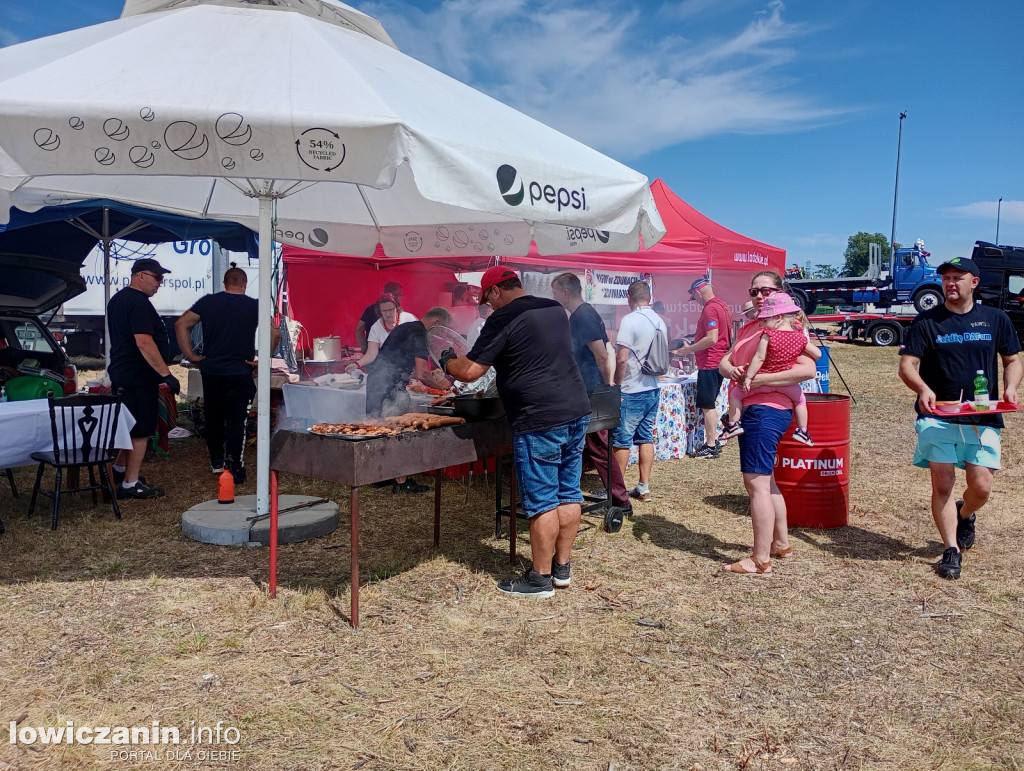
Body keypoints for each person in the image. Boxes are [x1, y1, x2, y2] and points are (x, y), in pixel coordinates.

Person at [442, 266, 590, 598]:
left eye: (487, 300)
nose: (488, 307)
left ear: (495, 292)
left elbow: (469, 371)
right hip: (576, 409)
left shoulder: (503, 317)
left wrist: (447, 360)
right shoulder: (553, 308)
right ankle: (561, 570)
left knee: (542, 501)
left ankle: (539, 579)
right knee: (569, 493)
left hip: (540, 418)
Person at [898, 256, 1021, 580]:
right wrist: (923, 388)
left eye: (958, 277)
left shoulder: (995, 318)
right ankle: (950, 550)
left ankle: (965, 513)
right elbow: (907, 365)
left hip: (983, 415)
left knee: (981, 486)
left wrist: (1010, 387)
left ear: (974, 283)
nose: (950, 283)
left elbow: (1012, 359)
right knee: (942, 483)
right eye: (946, 278)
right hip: (938, 417)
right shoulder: (927, 321)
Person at [717, 271, 817, 574]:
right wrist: (729, 369)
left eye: (766, 291)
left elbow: (808, 369)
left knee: (756, 483)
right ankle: (780, 543)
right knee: (766, 479)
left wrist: (757, 378)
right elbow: (728, 358)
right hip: (756, 407)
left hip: (766, 409)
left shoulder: (789, 328)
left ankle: (759, 560)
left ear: (780, 293)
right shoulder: (751, 326)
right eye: (754, 291)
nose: (760, 297)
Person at [175, 264, 278, 483]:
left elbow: (181, 324)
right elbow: (274, 332)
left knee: (213, 417)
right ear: (245, 283)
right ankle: (235, 465)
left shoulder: (208, 302)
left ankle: (216, 462)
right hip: (240, 370)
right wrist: (263, 359)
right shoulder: (254, 305)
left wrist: (192, 355)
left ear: (224, 283)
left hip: (211, 371)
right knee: (236, 420)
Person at [551, 272, 632, 525]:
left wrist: (607, 384)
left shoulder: (583, 315)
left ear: (565, 292)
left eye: (555, 291)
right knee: (593, 446)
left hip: (591, 390)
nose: (554, 296)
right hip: (589, 388)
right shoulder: (587, 313)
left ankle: (620, 501)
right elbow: (607, 347)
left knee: (599, 447)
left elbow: (602, 354)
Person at [348, 307, 452, 494]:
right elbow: (421, 373)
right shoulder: (421, 333)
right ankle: (402, 482)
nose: (440, 335)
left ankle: (379, 475)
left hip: (376, 381)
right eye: (442, 330)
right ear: (436, 323)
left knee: (378, 427)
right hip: (391, 387)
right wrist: (445, 387)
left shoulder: (407, 327)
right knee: (398, 432)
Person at [106, 257, 180, 499]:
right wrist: (166, 375)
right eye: (156, 277)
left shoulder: (118, 298)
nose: (160, 283)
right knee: (140, 429)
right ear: (140, 276)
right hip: (137, 376)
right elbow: (144, 342)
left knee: (128, 426)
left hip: (124, 373)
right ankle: (130, 483)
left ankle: (119, 469)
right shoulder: (137, 302)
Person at [720, 292, 819, 447]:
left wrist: (749, 378)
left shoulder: (768, 336)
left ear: (778, 318)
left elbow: (758, 358)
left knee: (736, 394)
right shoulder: (799, 337)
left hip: (762, 382)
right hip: (788, 386)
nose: (763, 323)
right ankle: (803, 431)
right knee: (800, 400)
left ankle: (733, 424)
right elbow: (818, 354)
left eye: (765, 320)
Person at [612, 280, 667, 502]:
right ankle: (644, 487)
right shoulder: (659, 320)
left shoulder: (629, 320)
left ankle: (617, 491)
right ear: (649, 298)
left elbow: (622, 358)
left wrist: (616, 381)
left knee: (621, 441)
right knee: (646, 438)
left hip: (631, 389)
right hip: (653, 387)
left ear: (629, 298)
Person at [673, 277, 732, 459]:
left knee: (707, 405)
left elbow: (712, 338)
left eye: (694, 298)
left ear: (698, 293)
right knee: (710, 403)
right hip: (718, 360)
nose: (695, 302)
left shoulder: (710, 309)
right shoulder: (723, 305)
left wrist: (688, 349)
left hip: (710, 361)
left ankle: (711, 445)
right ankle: (714, 442)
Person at [350, 294, 417, 371]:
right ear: (380, 311)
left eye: (391, 310)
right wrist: (357, 364)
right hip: (389, 371)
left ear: (397, 308)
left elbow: (422, 339)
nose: (388, 314)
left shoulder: (409, 319)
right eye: (384, 311)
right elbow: (371, 354)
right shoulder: (376, 328)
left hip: (412, 368)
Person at [354, 281, 403, 352]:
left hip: (374, 355)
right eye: (400, 295)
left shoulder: (370, 309)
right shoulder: (398, 313)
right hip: (393, 356)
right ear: (396, 296)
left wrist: (365, 350)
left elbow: (359, 329)